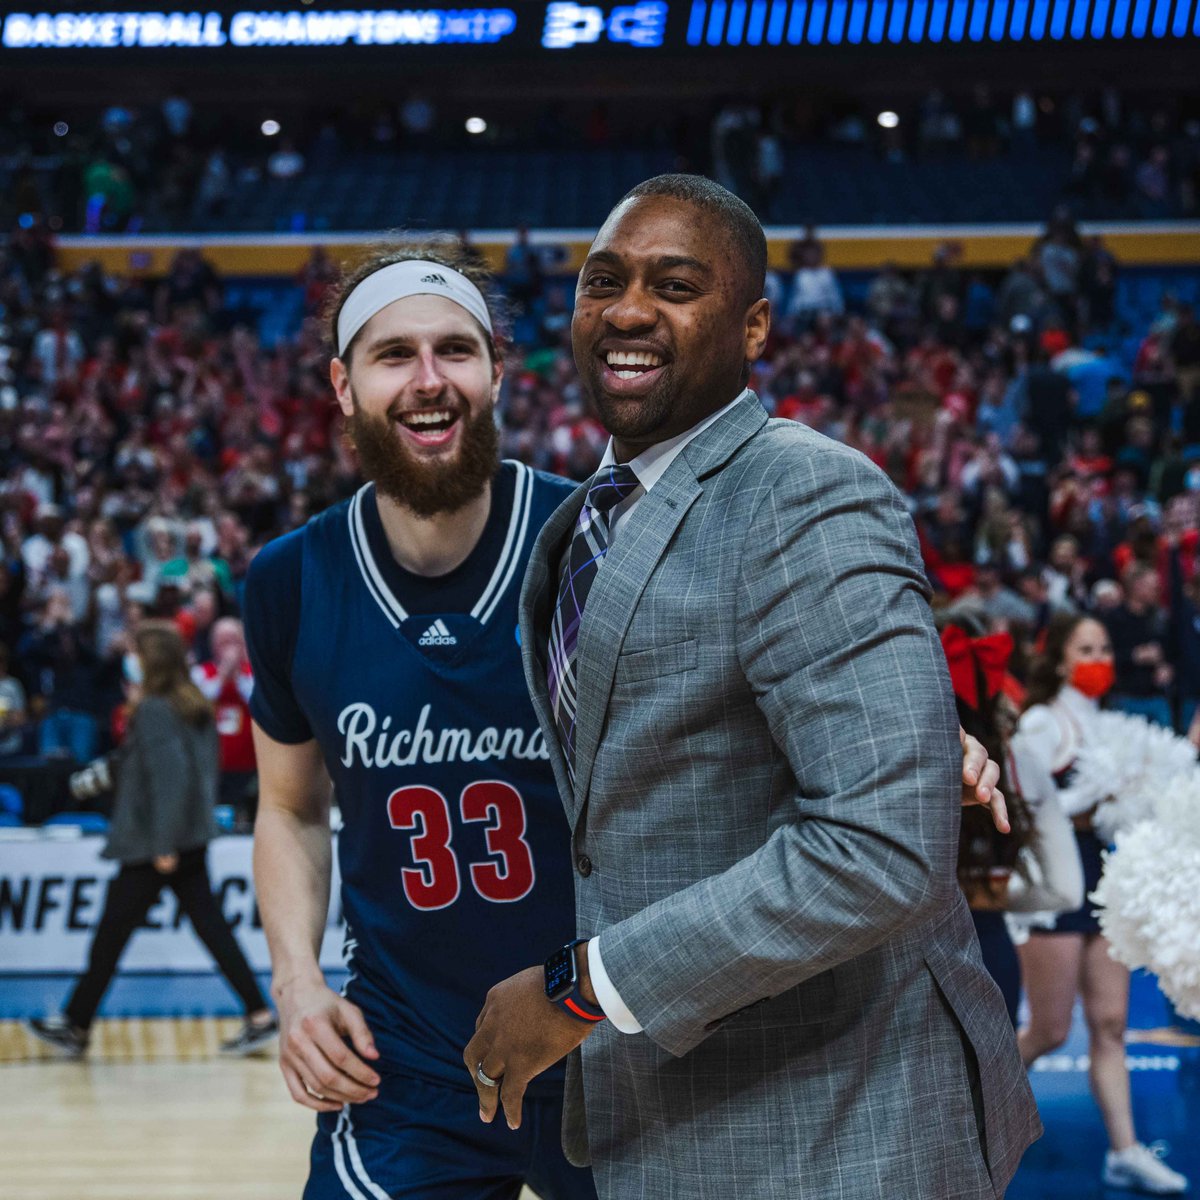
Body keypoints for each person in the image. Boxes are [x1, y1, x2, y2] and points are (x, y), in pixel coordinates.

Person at [467, 175, 1038, 1199]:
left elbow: (878, 847)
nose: (629, 310)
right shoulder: (581, 521)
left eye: (676, 285)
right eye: (604, 280)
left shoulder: (804, 490)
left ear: (756, 325)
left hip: (841, 1124)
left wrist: (582, 988)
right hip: (688, 1121)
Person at [244, 247, 598, 1199]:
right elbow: (287, 807)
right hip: (407, 1061)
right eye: (394, 354)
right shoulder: (289, 580)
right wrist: (297, 985)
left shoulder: (595, 544)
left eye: (456, 350)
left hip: (613, 1047)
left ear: (496, 372)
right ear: (343, 385)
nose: (429, 379)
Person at [25, 622, 276, 1057]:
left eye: (136, 652)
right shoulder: (192, 704)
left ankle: (75, 1024)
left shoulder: (157, 708)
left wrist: (162, 844)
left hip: (158, 845)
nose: (130, 660)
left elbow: (171, 780)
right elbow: (151, 765)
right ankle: (259, 1015)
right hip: (189, 838)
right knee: (211, 929)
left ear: (152, 660)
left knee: (112, 934)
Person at [1012, 611, 1188, 1194]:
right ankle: (958, 1125)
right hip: (1055, 879)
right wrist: (1089, 794)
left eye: (1106, 647)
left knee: (1110, 1023)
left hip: (1103, 874)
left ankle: (1125, 1150)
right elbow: (1021, 807)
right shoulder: (1041, 721)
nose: (1100, 658)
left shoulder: (1108, 720)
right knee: (1049, 1031)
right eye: (1087, 648)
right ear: (1060, 657)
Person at [939, 620, 1083, 1025]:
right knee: (998, 1082)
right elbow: (1065, 889)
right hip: (988, 943)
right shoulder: (1019, 763)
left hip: (901, 954)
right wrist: (997, 894)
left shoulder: (891, 755)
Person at [191, 617, 257, 825]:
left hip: (248, 765)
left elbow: (257, 700)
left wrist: (236, 676)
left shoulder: (253, 674)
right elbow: (198, 702)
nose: (228, 648)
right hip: (212, 764)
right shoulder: (201, 673)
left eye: (233, 641)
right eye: (223, 641)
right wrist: (222, 676)